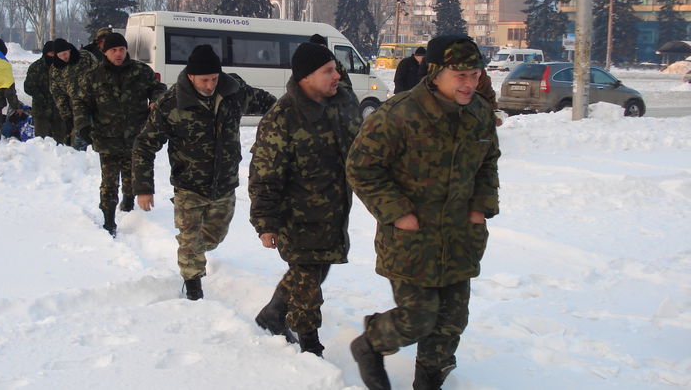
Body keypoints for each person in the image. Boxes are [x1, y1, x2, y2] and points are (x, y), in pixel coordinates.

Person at [345, 35, 500, 390]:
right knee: (418, 317)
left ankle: (428, 381)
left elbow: (488, 163)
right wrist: (398, 213)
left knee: (451, 321)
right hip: (411, 238)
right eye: (459, 75)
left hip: (460, 236)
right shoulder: (400, 114)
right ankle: (369, 345)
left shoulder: (478, 114)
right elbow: (360, 167)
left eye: (475, 74)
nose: (469, 83)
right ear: (435, 73)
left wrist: (480, 209)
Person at [132, 44, 276, 300]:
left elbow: (267, 102)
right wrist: (143, 188)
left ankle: (196, 254)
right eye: (204, 80)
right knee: (189, 239)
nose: (210, 85)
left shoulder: (234, 91)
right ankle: (193, 287)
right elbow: (144, 145)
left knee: (212, 237)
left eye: (214, 78)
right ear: (190, 76)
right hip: (189, 186)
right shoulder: (171, 103)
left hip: (225, 184)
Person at [248, 42, 362, 356]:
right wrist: (265, 223)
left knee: (316, 271)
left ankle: (272, 314)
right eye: (328, 70)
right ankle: (310, 349)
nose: (337, 75)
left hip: (333, 212)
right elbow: (264, 176)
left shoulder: (342, 103)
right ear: (305, 77)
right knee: (308, 282)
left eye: (336, 68)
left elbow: (362, 146)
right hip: (295, 217)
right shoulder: (282, 117)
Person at [73, 32, 166, 238]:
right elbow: (81, 102)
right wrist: (83, 125)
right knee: (109, 182)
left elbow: (158, 88)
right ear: (105, 53)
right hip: (106, 138)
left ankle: (128, 202)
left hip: (136, 136)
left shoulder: (141, 71)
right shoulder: (93, 76)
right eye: (114, 50)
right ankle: (108, 219)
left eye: (122, 49)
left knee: (131, 177)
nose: (119, 54)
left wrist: (156, 100)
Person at [50, 38, 97, 147]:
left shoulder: (85, 57)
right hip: (75, 108)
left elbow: (99, 74)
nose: (64, 57)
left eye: (65, 54)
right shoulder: (55, 69)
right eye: (60, 55)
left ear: (70, 50)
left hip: (94, 102)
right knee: (79, 137)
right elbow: (57, 93)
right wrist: (66, 115)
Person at [24, 41, 64, 141]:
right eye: (51, 53)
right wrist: (40, 97)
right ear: (46, 53)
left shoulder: (61, 67)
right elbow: (28, 87)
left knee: (60, 143)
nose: (54, 56)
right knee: (41, 143)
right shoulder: (36, 67)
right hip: (41, 111)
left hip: (58, 112)